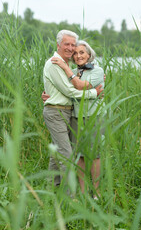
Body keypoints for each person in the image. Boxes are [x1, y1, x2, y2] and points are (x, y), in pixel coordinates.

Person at [43, 30, 103, 188]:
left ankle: (93, 192)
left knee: (91, 154)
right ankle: (75, 193)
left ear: (89, 55)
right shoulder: (67, 68)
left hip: (88, 116)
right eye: (74, 51)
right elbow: (69, 89)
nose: (76, 55)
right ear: (58, 45)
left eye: (81, 52)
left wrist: (64, 67)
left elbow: (76, 86)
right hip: (68, 115)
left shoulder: (94, 71)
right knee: (74, 155)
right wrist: (52, 96)